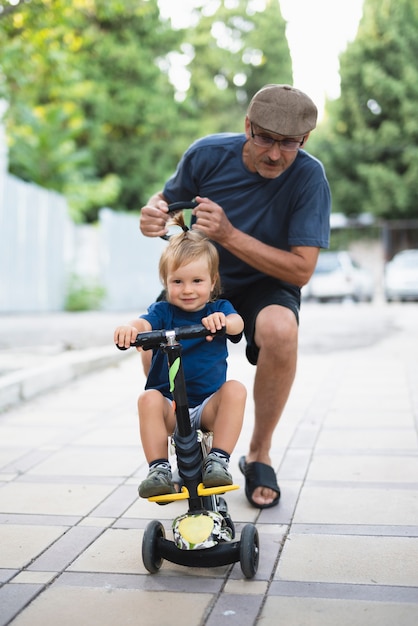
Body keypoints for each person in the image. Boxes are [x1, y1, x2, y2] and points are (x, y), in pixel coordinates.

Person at [139, 84, 331, 508]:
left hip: (269, 279)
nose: (276, 154)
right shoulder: (207, 155)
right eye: (265, 138)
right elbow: (167, 206)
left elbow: (301, 269)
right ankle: (182, 446)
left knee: (281, 328)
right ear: (247, 126)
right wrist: (154, 215)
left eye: (289, 144)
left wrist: (228, 234)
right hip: (203, 277)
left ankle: (258, 454)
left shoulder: (309, 177)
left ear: (305, 141)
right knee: (153, 338)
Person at [114, 221, 246, 498]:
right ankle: (159, 469)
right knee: (147, 398)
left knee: (236, 389)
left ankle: (218, 461)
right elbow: (144, 323)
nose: (187, 289)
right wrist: (131, 329)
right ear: (166, 283)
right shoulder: (163, 311)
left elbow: (237, 324)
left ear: (213, 283)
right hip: (171, 408)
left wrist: (223, 322)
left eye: (197, 281)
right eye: (178, 281)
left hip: (208, 405)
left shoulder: (219, 310)